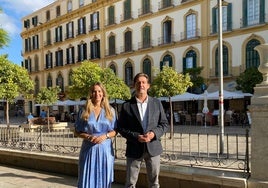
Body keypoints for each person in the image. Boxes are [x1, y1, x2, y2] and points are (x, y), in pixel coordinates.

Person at [117, 73, 169, 188]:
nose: (141, 85)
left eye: (143, 82)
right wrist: (136, 136)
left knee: (154, 183)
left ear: (148, 85)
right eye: (138, 83)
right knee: (130, 183)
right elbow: (121, 127)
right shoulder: (127, 106)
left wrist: (153, 133)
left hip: (153, 147)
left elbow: (164, 124)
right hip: (134, 148)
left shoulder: (157, 103)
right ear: (134, 85)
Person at [74, 82, 117, 188]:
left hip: (105, 150)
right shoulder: (84, 110)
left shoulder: (110, 110)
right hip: (89, 149)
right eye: (94, 91)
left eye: (99, 91)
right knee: (86, 178)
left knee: (104, 179)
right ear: (91, 94)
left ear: (103, 93)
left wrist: (105, 136)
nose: (97, 94)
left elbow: (115, 130)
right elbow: (76, 131)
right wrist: (88, 136)